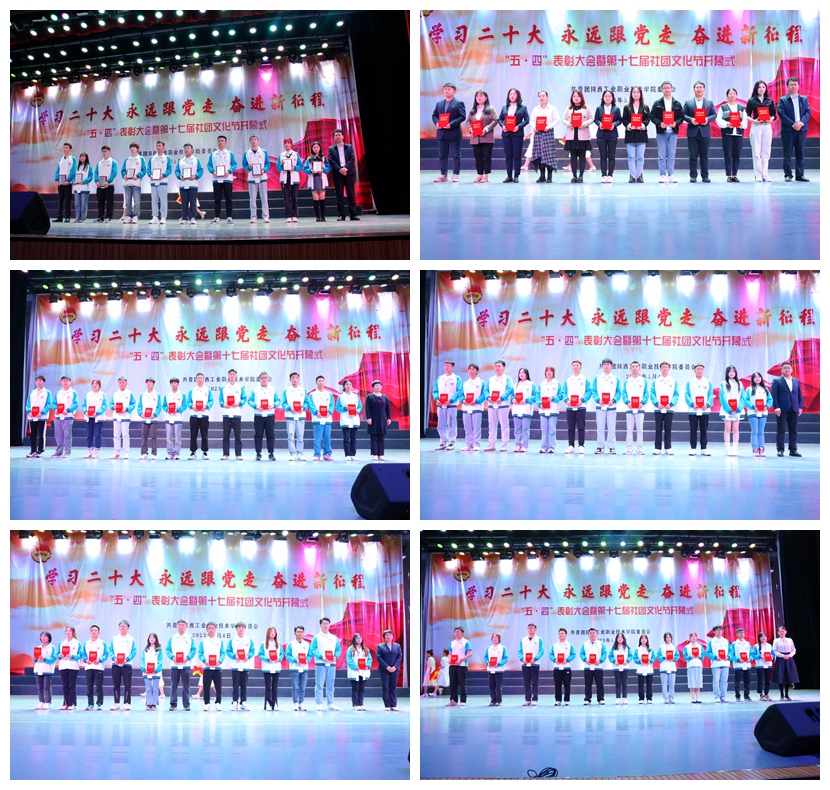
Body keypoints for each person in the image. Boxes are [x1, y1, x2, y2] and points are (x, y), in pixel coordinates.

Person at [777, 77, 811, 182]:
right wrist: (793, 124)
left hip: (801, 129)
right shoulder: (783, 100)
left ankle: (800, 175)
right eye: (791, 85)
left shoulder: (804, 99)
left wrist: (800, 123)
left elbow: (807, 112)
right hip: (788, 130)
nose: (793, 86)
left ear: (798, 86)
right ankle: (788, 175)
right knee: (787, 153)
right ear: (787, 87)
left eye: (795, 84)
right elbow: (782, 114)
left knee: (800, 153)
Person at [432, 83, 466, 183]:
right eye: (445, 89)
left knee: (456, 155)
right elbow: (434, 115)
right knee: (442, 155)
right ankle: (443, 175)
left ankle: (455, 174)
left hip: (453, 133)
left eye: (449, 89)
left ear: (454, 91)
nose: (447, 91)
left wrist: (451, 124)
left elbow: (462, 116)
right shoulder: (439, 104)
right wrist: (437, 123)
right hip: (441, 133)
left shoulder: (459, 103)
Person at [651, 80, 684, 183]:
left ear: (672, 89)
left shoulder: (677, 103)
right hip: (661, 132)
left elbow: (681, 117)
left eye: (668, 88)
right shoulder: (657, 103)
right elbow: (652, 116)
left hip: (673, 132)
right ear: (661, 89)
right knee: (661, 155)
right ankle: (662, 175)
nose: (667, 90)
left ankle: (671, 175)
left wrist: (676, 123)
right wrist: (659, 123)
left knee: (671, 155)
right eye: (664, 88)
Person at [683, 81, 717, 182]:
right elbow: (683, 115)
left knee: (704, 156)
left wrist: (707, 119)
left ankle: (705, 176)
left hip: (704, 132)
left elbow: (714, 114)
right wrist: (691, 120)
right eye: (697, 87)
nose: (699, 89)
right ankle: (693, 176)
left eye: (701, 87)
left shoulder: (709, 102)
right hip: (692, 132)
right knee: (692, 156)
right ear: (694, 89)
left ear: (704, 89)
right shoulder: (688, 102)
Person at [746, 80, 777, 182]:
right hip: (756, 126)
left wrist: (770, 119)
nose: (761, 89)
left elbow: (773, 114)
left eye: (763, 87)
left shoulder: (769, 101)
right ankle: (758, 175)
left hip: (767, 126)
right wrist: (754, 120)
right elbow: (747, 115)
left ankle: (765, 174)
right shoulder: (751, 100)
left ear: (766, 89)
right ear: (756, 88)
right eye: (759, 87)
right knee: (756, 152)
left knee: (766, 151)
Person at [716, 88, 749, 181]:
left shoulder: (741, 108)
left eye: (734, 93)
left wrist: (742, 125)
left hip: (738, 134)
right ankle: (728, 175)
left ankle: (734, 174)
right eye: (730, 94)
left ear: (736, 95)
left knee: (736, 155)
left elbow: (745, 120)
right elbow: (718, 120)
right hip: (727, 134)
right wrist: (726, 124)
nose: (732, 95)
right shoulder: (723, 108)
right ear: (727, 96)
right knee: (728, 155)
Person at [498, 88, 530, 182]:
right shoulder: (504, 107)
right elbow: (500, 119)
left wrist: (519, 126)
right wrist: (503, 125)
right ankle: (509, 176)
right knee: (508, 156)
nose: (512, 96)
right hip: (506, 134)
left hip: (517, 134)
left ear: (518, 96)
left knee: (517, 156)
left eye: (514, 94)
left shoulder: (523, 107)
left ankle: (516, 176)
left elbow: (527, 119)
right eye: (510, 94)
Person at [772, 361, 803, 457]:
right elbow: (774, 396)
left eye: (789, 368)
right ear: (781, 370)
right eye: (785, 368)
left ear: (792, 370)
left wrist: (800, 407)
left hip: (794, 408)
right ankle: (780, 449)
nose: (787, 369)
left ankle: (793, 450)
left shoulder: (796, 381)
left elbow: (799, 395)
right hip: (782, 409)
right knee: (781, 430)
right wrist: (776, 407)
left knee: (793, 430)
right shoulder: (777, 381)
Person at [311, 617, 342, 711]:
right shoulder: (316, 637)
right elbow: (313, 649)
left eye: (327, 623)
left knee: (331, 684)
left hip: (331, 664)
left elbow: (338, 649)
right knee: (319, 684)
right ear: (320, 625)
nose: (326, 625)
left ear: (329, 625)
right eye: (324, 623)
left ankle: (330, 703)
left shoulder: (333, 637)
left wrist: (335, 656)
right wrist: (321, 657)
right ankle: (319, 703)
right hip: (320, 663)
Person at [467, 90, 498, 183]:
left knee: (487, 157)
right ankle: (479, 175)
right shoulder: (473, 110)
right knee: (478, 158)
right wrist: (471, 129)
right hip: (475, 137)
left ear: (486, 98)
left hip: (486, 137)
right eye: (477, 96)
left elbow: (495, 120)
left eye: (481, 96)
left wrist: (486, 129)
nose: (479, 98)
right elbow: (468, 121)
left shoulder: (491, 109)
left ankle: (486, 176)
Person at [327, 129, 359, 219]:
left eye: (339, 135)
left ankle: (353, 214)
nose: (338, 136)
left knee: (351, 194)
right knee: (339, 195)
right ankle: (342, 215)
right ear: (334, 138)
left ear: (343, 136)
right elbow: (331, 160)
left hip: (349, 173)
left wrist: (345, 168)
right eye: (336, 135)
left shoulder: (349, 147)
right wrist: (340, 169)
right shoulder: (331, 149)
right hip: (338, 174)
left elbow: (352, 158)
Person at [529, 90, 560, 183]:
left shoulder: (552, 108)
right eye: (540, 96)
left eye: (543, 96)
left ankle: (549, 176)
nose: (541, 98)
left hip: (548, 132)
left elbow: (557, 120)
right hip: (538, 133)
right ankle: (542, 176)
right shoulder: (535, 109)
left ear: (547, 97)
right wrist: (534, 127)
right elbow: (532, 120)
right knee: (539, 154)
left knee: (549, 155)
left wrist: (549, 126)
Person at [563, 359, 593, 454]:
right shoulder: (568, 380)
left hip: (581, 407)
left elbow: (589, 391)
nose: (575, 367)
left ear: (581, 367)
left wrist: (582, 400)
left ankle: (581, 446)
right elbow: (564, 392)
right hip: (570, 407)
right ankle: (571, 446)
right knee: (570, 427)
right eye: (574, 365)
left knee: (581, 427)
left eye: (577, 365)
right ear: (571, 367)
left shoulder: (585, 379)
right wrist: (567, 400)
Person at [483, 360, 513, 452]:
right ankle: (491, 444)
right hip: (492, 405)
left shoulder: (507, 378)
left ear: (504, 368)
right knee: (491, 426)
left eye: (499, 366)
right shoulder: (491, 379)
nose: (497, 368)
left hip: (502, 405)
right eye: (496, 366)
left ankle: (504, 445)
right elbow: (486, 390)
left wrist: (502, 398)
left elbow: (509, 389)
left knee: (504, 426)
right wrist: (488, 397)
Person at [166, 619, 196, 711]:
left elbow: (193, 650)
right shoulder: (172, 638)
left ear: (186, 626)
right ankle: (173, 704)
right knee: (173, 685)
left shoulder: (190, 638)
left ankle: (186, 705)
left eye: (183, 625)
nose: (181, 626)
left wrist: (188, 657)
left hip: (186, 665)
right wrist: (172, 657)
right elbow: (168, 650)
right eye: (179, 625)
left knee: (186, 686)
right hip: (175, 665)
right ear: (177, 626)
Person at [562, 90, 592, 183]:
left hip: (582, 135)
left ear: (581, 97)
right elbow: (563, 120)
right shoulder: (569, 108)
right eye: (574, 96)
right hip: (572, 135)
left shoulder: (587, 108)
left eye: (578, 96)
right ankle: (574, 176)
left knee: (582, 156)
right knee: (573, 156)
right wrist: (569, 124)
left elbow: (592, 119)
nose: (576, 98)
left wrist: (584, 124)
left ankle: (581, 176)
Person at [620, 361, 649, 455]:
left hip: (640, 408)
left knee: (640, 428)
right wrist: (627, 402)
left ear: (639, 368)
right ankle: (629, 448)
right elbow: (624, 393)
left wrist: (642, 402)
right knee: (629, 428)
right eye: (633, 366)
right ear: (630, 368)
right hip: (629, 408)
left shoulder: (643, 381)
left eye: (636, 366)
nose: (635, 368)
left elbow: (646, 393)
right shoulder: (627, 381)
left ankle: (639, 448)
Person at [593, 357, 621, 454]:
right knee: (600, 427)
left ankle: (612, 447)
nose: (606, 366)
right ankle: (600, 447)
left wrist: (613, 400)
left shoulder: (616, 378)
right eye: (604, 364)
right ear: (602, 366)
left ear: (611, 366)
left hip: (611, 407)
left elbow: (618, 392)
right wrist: (598, 400)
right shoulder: (597, 378)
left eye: (608, 364)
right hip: (600, 406)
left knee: (611, 428)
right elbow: (594, 391)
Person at [433, 359, 463, 451]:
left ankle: (451, 442)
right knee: (441, 424)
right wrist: (436, 399)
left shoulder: (456, 378)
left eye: (448, 365)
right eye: (445, 365)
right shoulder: (440, 378)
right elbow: (435, 390)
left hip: (451, 405)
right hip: (441, 405)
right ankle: (443, 442)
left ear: (452, 367)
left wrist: (451, 400)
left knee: (451, 423)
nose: (446, 367)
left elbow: (459, 391)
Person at [684, 363, 713, 456]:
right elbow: (687, 394)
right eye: (698, 369)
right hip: (693, 410)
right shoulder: (690, 382)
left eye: (701, 369)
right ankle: (693, 448)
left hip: (704, 411)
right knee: (693, 430)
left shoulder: (708, 382)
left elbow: (710, 395)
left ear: (703, 370)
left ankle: (704, 448)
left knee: (704, 430)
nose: (699, 371)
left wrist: (707, 405)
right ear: (694, 370)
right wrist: (692, 404)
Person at [207, 134, 237, 224]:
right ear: (217, 142)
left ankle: (229, 217)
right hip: (216, 179)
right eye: (219, 141)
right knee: (217, 199)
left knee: (228, 199)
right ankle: (217, 217)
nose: (220, 142)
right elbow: (209, 165)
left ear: (225, 142)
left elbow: (234, 164)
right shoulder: (213, 154)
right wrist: (213, 172)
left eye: (222, 141)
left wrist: (229, 171)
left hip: (227, 179)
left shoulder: (230, 153)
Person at [622, 86, 650, 183]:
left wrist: (642, 125)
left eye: (638, 92)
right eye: (634, 92)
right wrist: (629, 125)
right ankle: (632, 175)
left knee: (640, 157)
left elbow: (648, 119)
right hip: (630, 134)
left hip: (641, 134)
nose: (636, 94)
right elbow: (624, 119)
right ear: (631, 94)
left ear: (640, 94)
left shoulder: (645, 107)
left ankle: (639, 175)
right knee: (631, 157)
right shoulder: (627, 107)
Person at [739, 373, 771, 457]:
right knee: (755, 431)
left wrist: (766, 406)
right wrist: (753, 406)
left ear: (761, 378)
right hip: (753, 413)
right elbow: (746, 400)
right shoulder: (749, 389)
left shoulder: (765, 389)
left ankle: (761, 448)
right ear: (752, 379)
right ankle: (755, 448)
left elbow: (770, 400)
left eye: (759, 377)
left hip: (763, 413)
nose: (757, 379)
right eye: (755, 377)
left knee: (761, 432)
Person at [651, 361, 679, 455]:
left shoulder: (673, 381)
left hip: (669, 408)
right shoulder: (656, 381)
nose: (664, 368)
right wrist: (657, 403)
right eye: (663, 367)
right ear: (660, 369)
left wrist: (671, 404)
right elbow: (652, 394)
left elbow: (676, 394)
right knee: (658, 428)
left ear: (669, 369)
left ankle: (668, 447)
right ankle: (657, 448)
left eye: (666, 367)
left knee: (668, 428)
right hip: (658, 408)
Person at [594, 90, 622, 183]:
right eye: (606, 96)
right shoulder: (599, 108)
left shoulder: (616, 109)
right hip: (601, 135)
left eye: (609, 96)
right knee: (603, 156)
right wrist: (600, 124)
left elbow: (619, 120)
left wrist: (614, 124)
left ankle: (610, 175)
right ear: (603, 98)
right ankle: (603, 175)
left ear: (612, 98)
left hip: (612, 134)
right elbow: (596, 119)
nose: (607, 98)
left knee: (611, 156)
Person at [249, 371, 277, 461]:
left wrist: (273, 405)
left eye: (266, 377)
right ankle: (258, 454)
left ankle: (271, 454)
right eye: (262, 378)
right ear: (259, 379)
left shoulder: (272, 389)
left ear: (268, 379)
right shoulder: (255, 390)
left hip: (270, 414)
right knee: (258, 434)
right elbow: (250, 400)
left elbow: (278, 400)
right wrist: (256, 406)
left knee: (270, 434)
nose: (264, 379)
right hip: (258, 415)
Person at [226, 621, 255, 711]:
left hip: (245, 666)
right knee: (235, 685)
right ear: (236, 629)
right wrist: (234, 656)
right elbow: (228, 651)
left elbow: (252, 650)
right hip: (235, 666)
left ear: (244, 628)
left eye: (242, 627)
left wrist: (248, 656)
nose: (241, 629)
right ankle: (235, 702)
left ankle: (243, 702)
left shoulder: (249, 640)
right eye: (239, 627)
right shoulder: (232, 640)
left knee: (244, 685)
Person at [219, 368, 246, 461]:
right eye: (230, 374)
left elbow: (244, 399)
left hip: (236, 414)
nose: (232, 376)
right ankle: (225, 454)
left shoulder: (240, 387)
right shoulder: (224, 388)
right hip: (226, 414)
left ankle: (238, 454)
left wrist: (239, 403)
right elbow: (220, 400)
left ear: (236, 376)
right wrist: (223, 404)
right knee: (225, 435)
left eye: (233, 374)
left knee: (237, 435)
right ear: (228, 376)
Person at [109, 619, 137, 711]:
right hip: (115, 665)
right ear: (119, 628)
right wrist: (114, 658)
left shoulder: (131, 639)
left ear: (128, 628)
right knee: (116, 685)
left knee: (127, 685)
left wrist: (127, 659)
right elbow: (110, 650)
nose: (123, 627)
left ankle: (126, 703)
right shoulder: (114, 639)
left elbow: (134, 651)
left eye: (124, 626)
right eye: (121, 626)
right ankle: (116, 703)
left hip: (127, 665)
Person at [80, 624, 109, 710]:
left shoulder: (102, 643)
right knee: (89, 687)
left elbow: (106, 654)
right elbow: (83, 654)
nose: (94, 632)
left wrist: (100, 660)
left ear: (99, 632)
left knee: (99, 687)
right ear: (90, 632)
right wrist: (86, 660)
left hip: (99, 667)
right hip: (89, 667)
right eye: (92, 630)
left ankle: (99, 703)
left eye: (95, 630)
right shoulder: (86, 643)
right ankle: (90, 704)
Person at [243, 134, 271, 223]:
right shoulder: (246, 153)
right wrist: (248, 168)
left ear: (258, 141)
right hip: (252, 178)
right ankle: (253, 217)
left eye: (255, 139)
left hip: (262, 177)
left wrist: (264, 170)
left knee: (264, 198)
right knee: (252, 199)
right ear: (250, 141)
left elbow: (267, 164)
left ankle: (265, 216)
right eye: (252, 139)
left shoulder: (263, 152)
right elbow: (244, 164)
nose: (253, 141)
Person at [198, 621, 225, 711]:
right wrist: (205, 661)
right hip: (207, 667)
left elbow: (223, 653)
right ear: (206, 630)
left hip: (217, 667)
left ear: (215, 629)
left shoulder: (220, 641)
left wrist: (219, 661)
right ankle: (207, 703)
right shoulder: (203, 641)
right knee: (206, 686)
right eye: (209, 628)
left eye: (213, 628)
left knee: (218, 686)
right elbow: (200, 653)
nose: (211, 630)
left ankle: (218, 703)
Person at [283, 371, 309, 462]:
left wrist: (303, 408)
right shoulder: (286, 390)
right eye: (293, 378)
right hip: (290, 416)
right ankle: (292, 453)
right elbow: (283, 403)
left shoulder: (303, 390)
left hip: (301, 416)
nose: (295, 379)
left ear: (299, 379)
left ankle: (300, 453)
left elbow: (307, 402)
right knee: (291, 436)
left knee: (300, 436)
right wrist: (289, 408)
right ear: (290, 379)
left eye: (296, 377)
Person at [175, 143, 203, 225]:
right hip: (183, 184)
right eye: (185, 148)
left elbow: (201, 170)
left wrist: (196, 176)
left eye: (188, 148)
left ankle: (192, 217)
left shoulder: (196, 160)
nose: (186, 150)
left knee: (193, 202)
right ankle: (184, 218)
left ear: (192, 150)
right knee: (184, 203)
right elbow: (176, 171)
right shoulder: (181, 161)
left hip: (193, 184)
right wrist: (179, 176)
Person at [187, 371, 213, 460]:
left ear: (203, 379)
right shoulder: (192, 390)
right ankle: (193, 452)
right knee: (193, 434)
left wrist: (206, 406)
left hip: (204, 415)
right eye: (198, 378)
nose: (200, 379)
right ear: (196, 379)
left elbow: (211, 401)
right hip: (194, 415)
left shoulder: (208, 390)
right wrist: (192, 406)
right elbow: (188, 401)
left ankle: (205, 452)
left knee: (204, 434)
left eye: (201, 378)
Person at [146, 140, 173, 225]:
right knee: (154, 200)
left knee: (163, 200)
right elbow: (148, 169)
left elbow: (169, 169)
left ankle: (163, 217)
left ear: (163, 147)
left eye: (160, 146)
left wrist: (163, 175)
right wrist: (150, 175)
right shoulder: (152, 158)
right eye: (157, 146)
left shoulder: (167, 158)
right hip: (153, 182)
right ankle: (154, 217)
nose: (158, 147)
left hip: (162, 182)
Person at [334, 379, 362, 462]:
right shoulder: (341, 397)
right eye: (347, 384)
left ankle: (353, 454)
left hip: (354, 419)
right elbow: (337, 408)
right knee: (346, 438)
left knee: (353, 438)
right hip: (345, 419)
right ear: (344, 386)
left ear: (352, 386)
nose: (348, 386)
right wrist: (344, 408)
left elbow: (360, 406)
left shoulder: (356, 396)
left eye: (350, 384)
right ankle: (347, 454)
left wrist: (357, 411)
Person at [51, 375, 79, 459]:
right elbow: (54, 403)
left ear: (70, 382)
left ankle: (67, 452)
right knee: (58, 436)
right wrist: (55, 409)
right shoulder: (58, 393)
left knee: (67, 436)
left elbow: (76, 404)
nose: (65, 382)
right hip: (58, 417)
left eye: (67, 381)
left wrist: (68, 410)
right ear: (61, 382)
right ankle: (58, 452)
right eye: (63, 381)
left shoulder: (73, 392)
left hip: (68, 417)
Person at [25, 375, 53, 458]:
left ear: (43, 382)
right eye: (37, 380)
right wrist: (29, 411)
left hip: (42, 417)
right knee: (33, 435)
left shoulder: (47, 392)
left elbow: (49, 404)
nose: (38, 382)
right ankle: (33, 451)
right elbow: (28, 403)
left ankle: (40, 451)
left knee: (41, 435)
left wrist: (42, 412)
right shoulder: (32, 392)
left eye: (40, 380)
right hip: (32, 417)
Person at [719, 365, 744, 456]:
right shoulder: (723, 384)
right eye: (730, 371)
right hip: (727, 410)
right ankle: (728, 448)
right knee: (727, 429)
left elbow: (742, 397)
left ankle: (735, 448)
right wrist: (728, 409)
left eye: (733, 371)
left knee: (736, 429)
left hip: (737, 410)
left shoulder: (740, 384)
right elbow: (722, 398)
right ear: (727, 373)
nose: (732, 373)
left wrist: (739, 408)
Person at [309, 375, 335, 461]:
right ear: (316, 383)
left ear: (324, 382)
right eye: (319, 381)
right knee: (317, 439)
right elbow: (311, 405)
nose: (321, 382)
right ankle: (317, 454)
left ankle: (327, 454)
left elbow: (332, 405)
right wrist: (316, 412)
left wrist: (329, 412)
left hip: (327, 419)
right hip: (317, 419)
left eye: (322, 381)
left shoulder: (329, 394)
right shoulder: (312, 394)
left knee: (327, 438)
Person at [108, 376, 135, 460]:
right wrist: (113, 407)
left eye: (123, 382)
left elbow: (133, 404)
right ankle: (116, 452)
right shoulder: (115, 394)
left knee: (125, 435)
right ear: (118, 383)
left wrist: (126, 409)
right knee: (116, 435)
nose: (122, 384)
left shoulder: (130, 393)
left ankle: (126, 452)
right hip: (116, 417)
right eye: (120, 382)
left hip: (125, 417)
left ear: (126, 383)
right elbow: (111, 404)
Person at [303, 141, 331, 220]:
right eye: (314, 147)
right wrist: (311, 170)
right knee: (316, 198)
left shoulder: (323, 158)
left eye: (317, 147)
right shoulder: (309, 159)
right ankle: (317, 216)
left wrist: (323, 169)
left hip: (321, 178)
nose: (316, 149)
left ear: (320, 148)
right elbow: (305, 169)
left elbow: (328, 168)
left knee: (322, 198)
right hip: (313, 179)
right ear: (312, 148)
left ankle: (322, 216)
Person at [510, 367, 536, 453]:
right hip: (516, 410)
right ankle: (517, 445)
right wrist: (513, 399)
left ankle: (524, 446)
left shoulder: (531, 384)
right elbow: (512, 396)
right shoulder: (516, 385)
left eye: (523, 373)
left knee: (525, 429)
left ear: (527, 374)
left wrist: (526, 400)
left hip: (526, 410)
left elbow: (535, 397)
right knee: (517, 430)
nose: (521, 374)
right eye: (520, 373)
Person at [285, 625, 311, 711]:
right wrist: (295, 660)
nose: (300, 633)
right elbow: (287, 655)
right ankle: (295, 703)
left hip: (304, 668)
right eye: (298, 632)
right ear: (294, 633)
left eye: (301, 632)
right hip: (294, 668)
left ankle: (301, 702)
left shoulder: (307, 644)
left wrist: (307, 660)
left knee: (303, 687)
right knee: (295, 687)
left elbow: (310, 655)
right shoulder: (291, 644)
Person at [365, 379, 392, 461]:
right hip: (373, 419)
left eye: (379, 385)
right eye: (376, 385)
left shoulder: (385, 397)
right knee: (374, 437)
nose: (378, 387)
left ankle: (381, 454)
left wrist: (389, 418)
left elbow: (388, 408)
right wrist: (368, 417)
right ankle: (375, 454)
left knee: (381, 437)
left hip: (382, 419)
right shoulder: (369, 397)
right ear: (373, 387)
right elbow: (367, 408)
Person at [258, 626, 284, 711]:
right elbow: (260, 654)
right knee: (268, 687)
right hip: (267, 667)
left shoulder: (279, 644)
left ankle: (275, 703)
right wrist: (267, 659)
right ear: (268, 633)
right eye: (271, 631)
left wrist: (279, 659)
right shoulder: (263, 644)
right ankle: (267, 703)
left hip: (276, 667)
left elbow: (282, 654)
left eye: (274, 632)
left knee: (275, 687)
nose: (273, 633)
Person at [376, 629, 403, 711]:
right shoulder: (380, 646)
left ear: (392, 636)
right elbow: (379, 658)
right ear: (384, 637)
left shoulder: (397, 646)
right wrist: (387, 667)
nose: (388, 636)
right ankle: (387, 705)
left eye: (390, 635)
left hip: (395, 669)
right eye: (387, 635)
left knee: (393, 687)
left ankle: (393, 705)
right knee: (386, 687)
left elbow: (399, 657)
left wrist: (395, 666)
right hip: (384, 669)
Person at [518, 623, 544, 706]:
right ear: (527, 629)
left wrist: (535, 659)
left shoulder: (539, 639)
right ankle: (527, 699)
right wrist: (522, 659)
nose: (530, 629)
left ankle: (535, 699)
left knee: (535, 682)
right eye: (529, 628)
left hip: (535, 664)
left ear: (535, 629)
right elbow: (519, 651)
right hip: (525, 664)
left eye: (532, 628)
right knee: (526, 683)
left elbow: (541, 650)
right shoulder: (523, 640)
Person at [120, 142, 146, 223]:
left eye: (134, 147)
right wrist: (124, 175)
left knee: (136, 202)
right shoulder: (127, 159)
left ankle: (135, 216)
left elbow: (144, 170)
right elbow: (123, 170)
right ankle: (128, 216)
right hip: (127, 183)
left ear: (137, 149)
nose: (132, 149)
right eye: (131, 147)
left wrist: (137, 176)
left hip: (136, 183)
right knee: (128, 201)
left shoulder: (141, 159)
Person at [537, 366, 562, 454]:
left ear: (553, 373)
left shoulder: (557, 383)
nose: (549, 372)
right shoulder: (541, 384)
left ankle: (551, 447)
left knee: (552, 430)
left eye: (551, 371)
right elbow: (537, 396)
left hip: (553, 410)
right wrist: (540, 404)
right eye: (547, 371)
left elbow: (561, 396)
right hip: (543, 410)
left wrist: (553, 398)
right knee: (544, 430)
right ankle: (543, 447)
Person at [276, 137, 301, 223]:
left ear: (291, 144)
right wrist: (282, 165)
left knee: (294, 198)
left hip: (294, 177)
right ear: (283, 145)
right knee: (286, 198)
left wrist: (294, 168)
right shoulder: (281, 155)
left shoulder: (295, 154)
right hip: (284, 178)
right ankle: (288, 215)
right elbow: (278, 167)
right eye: (285, 143)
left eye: (288, 143)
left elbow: (300, 165)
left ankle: (295, 215)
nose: (287, 145)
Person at [137, 377, 162, 460]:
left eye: (150, 382)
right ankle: (144, 453)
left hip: (153, 419)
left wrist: (155, 414)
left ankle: (154, 453)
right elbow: (139, 406)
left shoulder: (157, 395)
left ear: (153, 384)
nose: (149, 384)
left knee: (153, 437)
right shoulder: (142, 395)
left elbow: (159, 407)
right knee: (144, 437)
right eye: (147, 382)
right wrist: (141, 414)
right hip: (144, 419)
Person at [446, 627, 472, 707]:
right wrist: (449, 660)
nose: (457, 633)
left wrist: (461, 660)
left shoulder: (466, 642)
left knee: (462, 684)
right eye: (455, 632)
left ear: (462, 633)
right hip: (452, 666)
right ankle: (453, 700)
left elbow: (470, 654)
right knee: (452, 684)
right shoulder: (452, 642)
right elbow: (449, 653)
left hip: (462, 665)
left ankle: (463, 700)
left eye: (458, 632)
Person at [346, 633, 373, 711]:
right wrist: (355, 667)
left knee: (362, 688)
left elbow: (369, 659)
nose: (359, 639)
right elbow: (349, 660)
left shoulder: (366, 649)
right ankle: (356, 704)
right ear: (354, 639)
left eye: (360, 638)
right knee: (355, 688)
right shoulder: (350, 649)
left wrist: (367, 666)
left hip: (363, 671)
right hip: (355, 671)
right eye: (357, 638)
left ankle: (361, 704)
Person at [549, 628, 576, 706]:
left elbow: (573, 654)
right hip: (557, 667)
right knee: (557, 684)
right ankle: (558, 700)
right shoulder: (555, 645)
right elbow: (550, 654)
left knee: (567, 684)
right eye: (559, 633)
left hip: (566, 667)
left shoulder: (569, 645)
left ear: (566, 635)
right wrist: (554, 660)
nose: (560, 635)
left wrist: (567, 660)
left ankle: (567, 700)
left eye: (562, 633)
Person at [81, 380, 107, 459]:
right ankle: (89, 451)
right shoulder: (88, 394)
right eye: (93, 384)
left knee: (97, 435)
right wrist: (85, 411)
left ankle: (96, 451)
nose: (94, 385)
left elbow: (104, 406)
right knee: (89, 435)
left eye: (96, 384)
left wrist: (97, 413)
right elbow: (84, 405)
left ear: (99, 385)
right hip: (89, 418)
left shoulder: (102, 395)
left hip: (98, 418)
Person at [772, 625, 799, 700]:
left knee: (788, 677)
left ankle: (787, 695)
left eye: (783, 631)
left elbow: (794, 650)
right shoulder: (776, 641)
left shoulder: (790, 640)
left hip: (789, 659)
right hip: (780, 659)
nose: (782, 633)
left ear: (786, 632)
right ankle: (781, 695)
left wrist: (789, 655)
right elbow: (775, 651)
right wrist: (782, 656)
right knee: (781, 677)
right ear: (778, 633)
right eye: (780, 631)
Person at [162, 377, 186, 461]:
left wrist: (178, 410)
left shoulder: (182, 395)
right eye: (172, 383)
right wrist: (167, 410)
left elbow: (184, 406)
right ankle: (169, 453)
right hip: (168, 418)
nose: (173, 384)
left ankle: (176, 453)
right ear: (170, 384)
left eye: (175, 383)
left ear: (178, 384)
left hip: (178, 418)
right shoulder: (167, 395)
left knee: (177, 437)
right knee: (169, 438)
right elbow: (164, 406)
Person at [580, 628, 607, 705]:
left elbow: (604, 653)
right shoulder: (585, 644)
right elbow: (581, 654)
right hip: (588, 667)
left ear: (596, 634)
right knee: (588, 684)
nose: (592, 634)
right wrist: (585, 659)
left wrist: (600, 660)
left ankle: (601, 699)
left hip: (598, 667)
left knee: (599, 683)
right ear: (588, 634)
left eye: (594, 633)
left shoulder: (601, 644)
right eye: (590, 633)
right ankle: (587, 699)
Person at [57, 625, 81, 710]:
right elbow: (57, 654)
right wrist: (59, 655)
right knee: (65, 685)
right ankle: (66, 702)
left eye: (70, 631)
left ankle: (72, 703)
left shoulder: (77, 643)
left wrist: (73, 656)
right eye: (66, 631)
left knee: (72, 685)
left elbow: (80, 655)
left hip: (73, 666)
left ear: (73, 632)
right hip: (63, 666)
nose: (68, 632)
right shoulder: (61, 643)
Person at [33, 631, 58, 710]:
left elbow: (53, 659)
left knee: (47, 687)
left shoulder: (52, 648)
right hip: (38, 669)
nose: (43, 638)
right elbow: (34, 660)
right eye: (42, 636)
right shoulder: (38, 647)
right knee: (40, 687)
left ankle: (47, 702)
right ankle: (41, 701)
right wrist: (34, 659)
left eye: (45, 636)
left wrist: (44, 659)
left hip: (47, 669)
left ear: (49, 638)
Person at [707, 624, 731, 703]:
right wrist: (715, 657)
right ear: (714, 632)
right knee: (716, 681)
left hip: (725, 663)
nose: (719, 631)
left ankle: (723, 696)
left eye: (720, 630)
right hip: (716, 664)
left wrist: (728, 656)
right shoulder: (711, 641)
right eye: (717, 630)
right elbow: (708, 652)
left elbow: (730, 651)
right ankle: (717, 696)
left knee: (724, 681)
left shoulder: (726, 641)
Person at [93, 144, 118, 222]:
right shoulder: (99, 163)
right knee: (100, 202)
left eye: (105, 151)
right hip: (100, 186)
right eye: (103, 151)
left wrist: (108, 181)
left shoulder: (113, 162)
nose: (104, 153)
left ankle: (108, 216)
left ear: (109, 152)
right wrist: (96, 181)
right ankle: (100, 216)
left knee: (109, 202)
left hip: (109, 185)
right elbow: (96, 172)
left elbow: (114, 172)